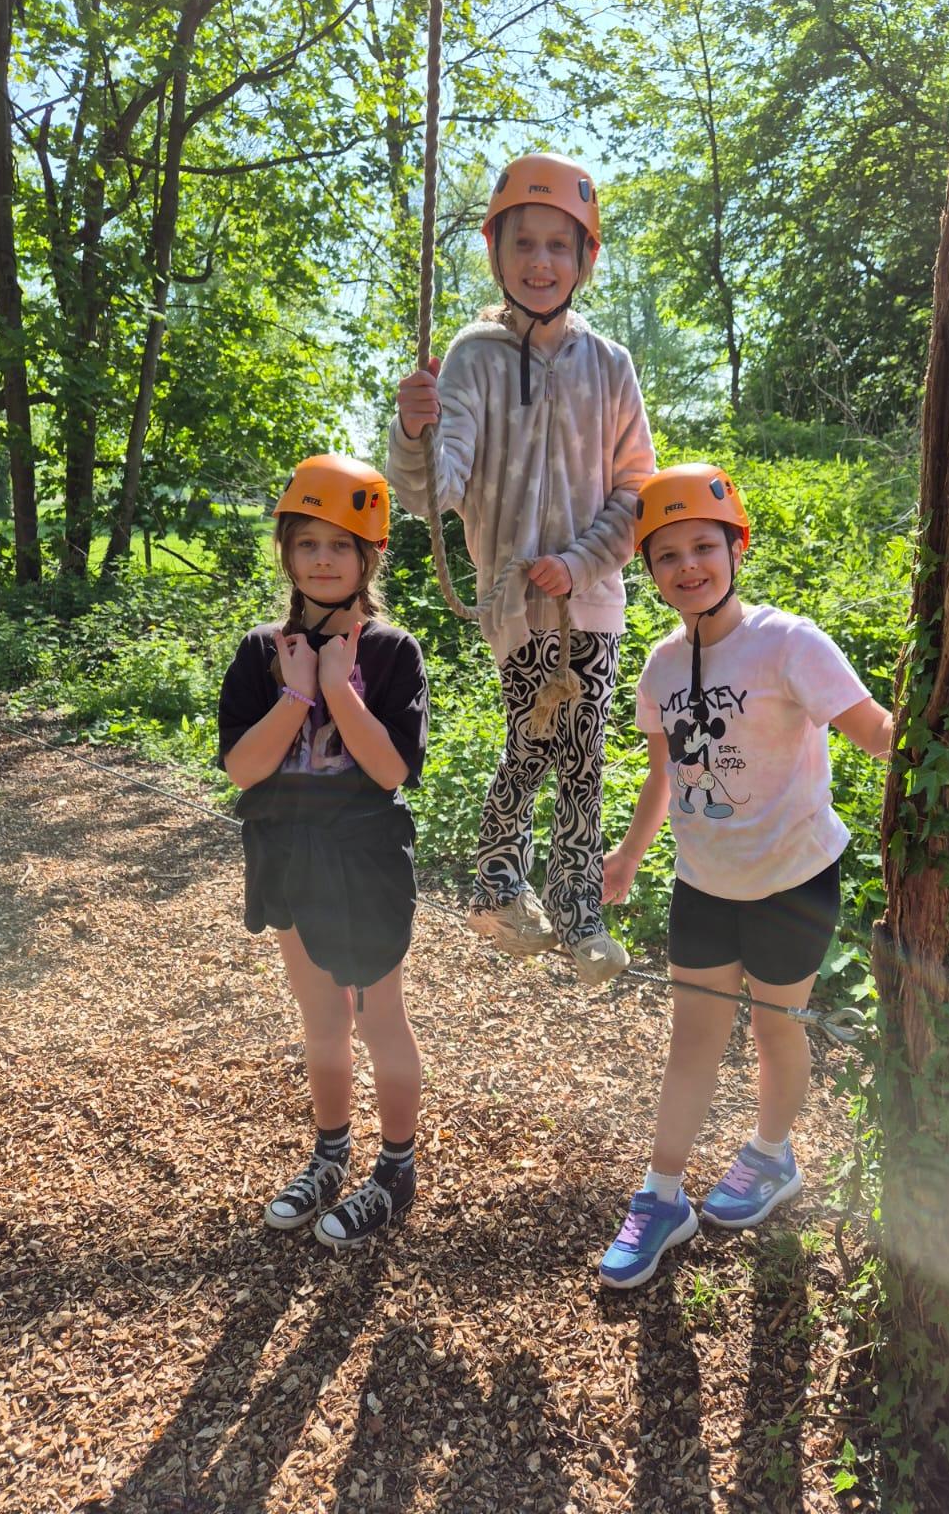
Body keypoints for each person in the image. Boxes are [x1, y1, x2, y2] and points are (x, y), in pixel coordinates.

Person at [597, 464, 893, 1288]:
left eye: (703, 546)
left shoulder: (789, 642)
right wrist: (630, 853)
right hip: (703, 882)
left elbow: (876, 733)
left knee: (773, 1028)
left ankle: (771, 1155)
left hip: (793, 880)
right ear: (649, 571)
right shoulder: (660, 667)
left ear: (737, 548)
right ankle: (662, 1197)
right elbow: (664, 772)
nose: (687, 566)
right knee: (691, 1040)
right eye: (667, 555)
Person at [388, 153, 656, 987]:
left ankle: (576, 912)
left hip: (591, 597)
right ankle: (501, 887)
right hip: (513, 602)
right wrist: (414, 431)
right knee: (534, 741)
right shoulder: (473, 357)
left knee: (584, 754)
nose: (541, 262)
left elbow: (637, 489)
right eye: (524, 244)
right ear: (495, 251)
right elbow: (434, 490)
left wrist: (580, 563)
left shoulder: (610, 364)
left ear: (585, 259)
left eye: (558, 246)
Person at [218, 455, 428, 1249]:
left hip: (364, 864)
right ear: (287, 553)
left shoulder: (393, 651)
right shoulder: (260, 651)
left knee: (378, 1019)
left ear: (369, 556)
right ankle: (331, 1153)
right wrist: (299, 692)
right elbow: (243, 768)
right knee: (321, 1019)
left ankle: (396, 1168)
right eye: (307, 543)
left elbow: (391, 769)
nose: (323, 559)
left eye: (341, 544)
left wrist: (340, 688)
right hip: (286, 857)